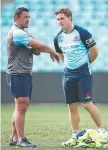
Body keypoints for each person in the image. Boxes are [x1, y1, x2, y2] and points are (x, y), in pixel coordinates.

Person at [6, 7, 60, 148]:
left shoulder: (23, 33)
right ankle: (21, 139)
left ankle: (14, 138)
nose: (28, 19)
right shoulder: (17, 33)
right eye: (25, 17)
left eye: (29, 17)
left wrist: (37, 46)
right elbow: (40, 45)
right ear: (17, 18)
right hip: (17, 73)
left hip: (23, 73)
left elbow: (36, 51)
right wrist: (52, 51)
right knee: (22, 106)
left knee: (21, 106)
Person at [54, 7, 108, 147]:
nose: (60, 21)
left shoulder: (82, 33)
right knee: (71, 107)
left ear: (70, 17)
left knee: (86, 103)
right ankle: (75, 136)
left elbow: (95, 52)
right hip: (68, 74)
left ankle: (102, 131)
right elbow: (60, 54)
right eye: (58, 19)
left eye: (62, 18)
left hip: (83, 73)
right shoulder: (57, 38)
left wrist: (85, 64)